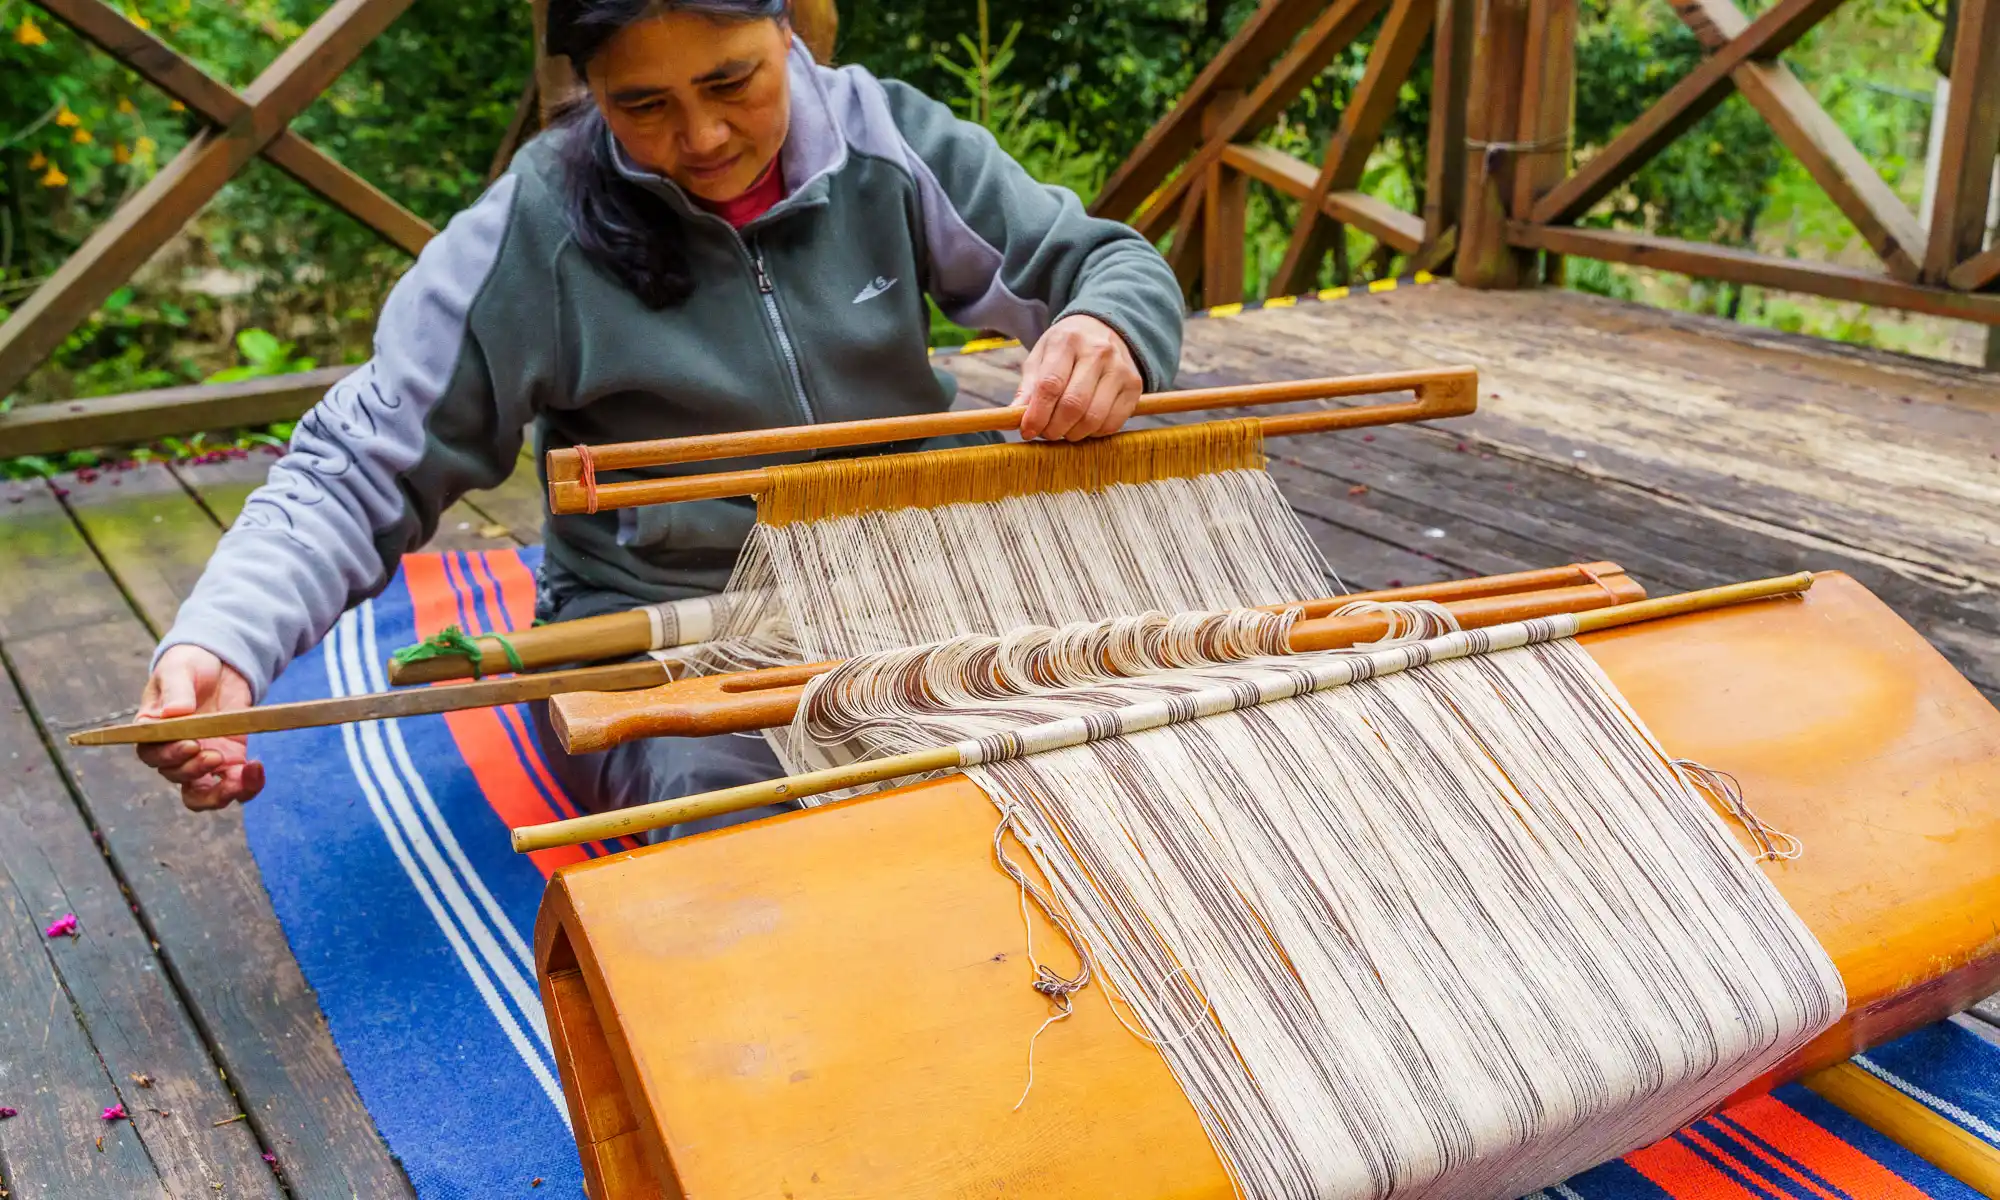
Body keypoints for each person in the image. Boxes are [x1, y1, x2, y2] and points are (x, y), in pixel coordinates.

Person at [133, 0, 1185, 824]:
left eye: (734, 80)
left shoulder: (886, 141)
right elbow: (359, 465)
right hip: (672, 639)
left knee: (1136, 754)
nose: (703, 135)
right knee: (748, 838)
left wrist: (1108, 329)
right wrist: (225, 646)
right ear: (587, 86)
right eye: (642, 105)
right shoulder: (533, 229)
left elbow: (1100, 261)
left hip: (913, 591)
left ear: (787, 31)